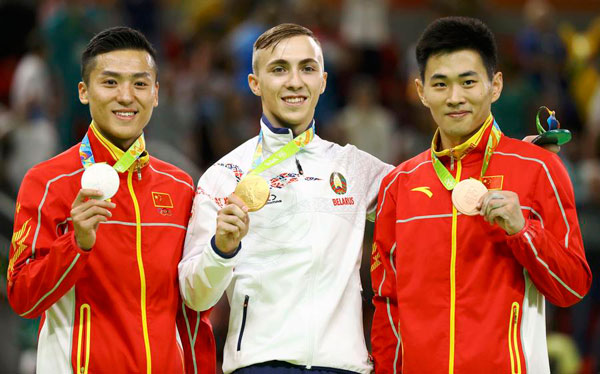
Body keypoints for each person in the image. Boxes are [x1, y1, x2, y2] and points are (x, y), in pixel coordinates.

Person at [370, 16, 592, 373]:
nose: (455, 97)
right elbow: (387, 303)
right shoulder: (400, 183)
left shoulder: (538, 168)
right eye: (440, 84)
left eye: (469, 81)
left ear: (495, 85)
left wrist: (524, 231)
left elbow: (573, 288)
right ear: (421, 90)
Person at [178, 23, 392, 373]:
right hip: (260, 365)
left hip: (342, 366)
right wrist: (222, 248)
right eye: (279, 69)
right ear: (255, 83)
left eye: (307, 68)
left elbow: (423, 193)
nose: (295, 81)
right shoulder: (225, 175)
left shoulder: (356, 168)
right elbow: (195, 295)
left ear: (322, 81)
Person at [6, 26, 215, 373]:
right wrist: (76, 244)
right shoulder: (48, 182)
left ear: (156, 93)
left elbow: (192, 315)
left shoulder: (179, 186)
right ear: (84, 92)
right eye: (110, 82)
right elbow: (23, 299)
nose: (126, 96)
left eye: (140, 83)